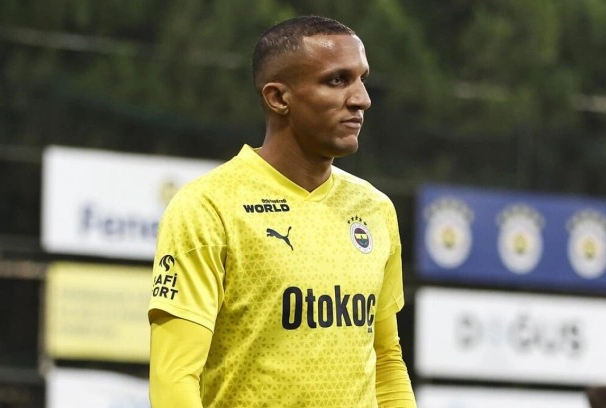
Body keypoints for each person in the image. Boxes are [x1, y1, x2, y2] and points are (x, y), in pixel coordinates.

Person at [147, 15, 417, 407]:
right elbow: (174, 377)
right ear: (278, 98)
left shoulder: (374, 208)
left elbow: (387, 361)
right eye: (337, 80)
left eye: (362, 79)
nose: (361, 98)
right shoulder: (209, 206)